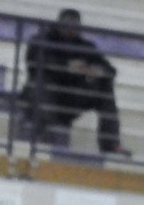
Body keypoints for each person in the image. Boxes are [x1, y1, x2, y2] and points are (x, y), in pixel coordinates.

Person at [22, 8, 130, 156]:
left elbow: (110, 70)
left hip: (71, 98)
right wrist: (69, 66)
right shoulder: (42, 40)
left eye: (75, 26)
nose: (71, 29)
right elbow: (35, 62)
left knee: (105, 87)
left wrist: (95, 71)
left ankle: (111, 144)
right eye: (67, 25)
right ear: (59, 24)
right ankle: (44, 134)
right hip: (44, 96)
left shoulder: (85, 46)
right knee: (41, 82)